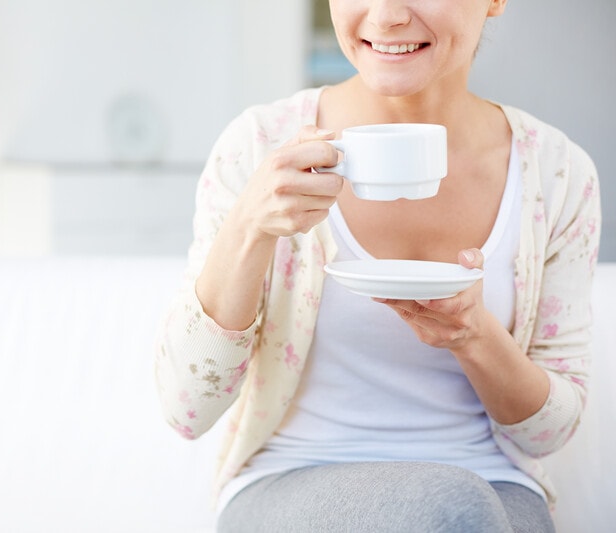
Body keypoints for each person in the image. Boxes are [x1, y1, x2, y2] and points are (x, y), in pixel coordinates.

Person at [154, 0, 601, 531]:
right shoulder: (257, 148)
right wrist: (250, 226)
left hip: (496, 488)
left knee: (465, 510)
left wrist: (473, 335)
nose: (386, 15)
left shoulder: (557, 174)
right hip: (294, 478)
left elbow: (546, 435)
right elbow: (187, 411)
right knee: (453, 507)